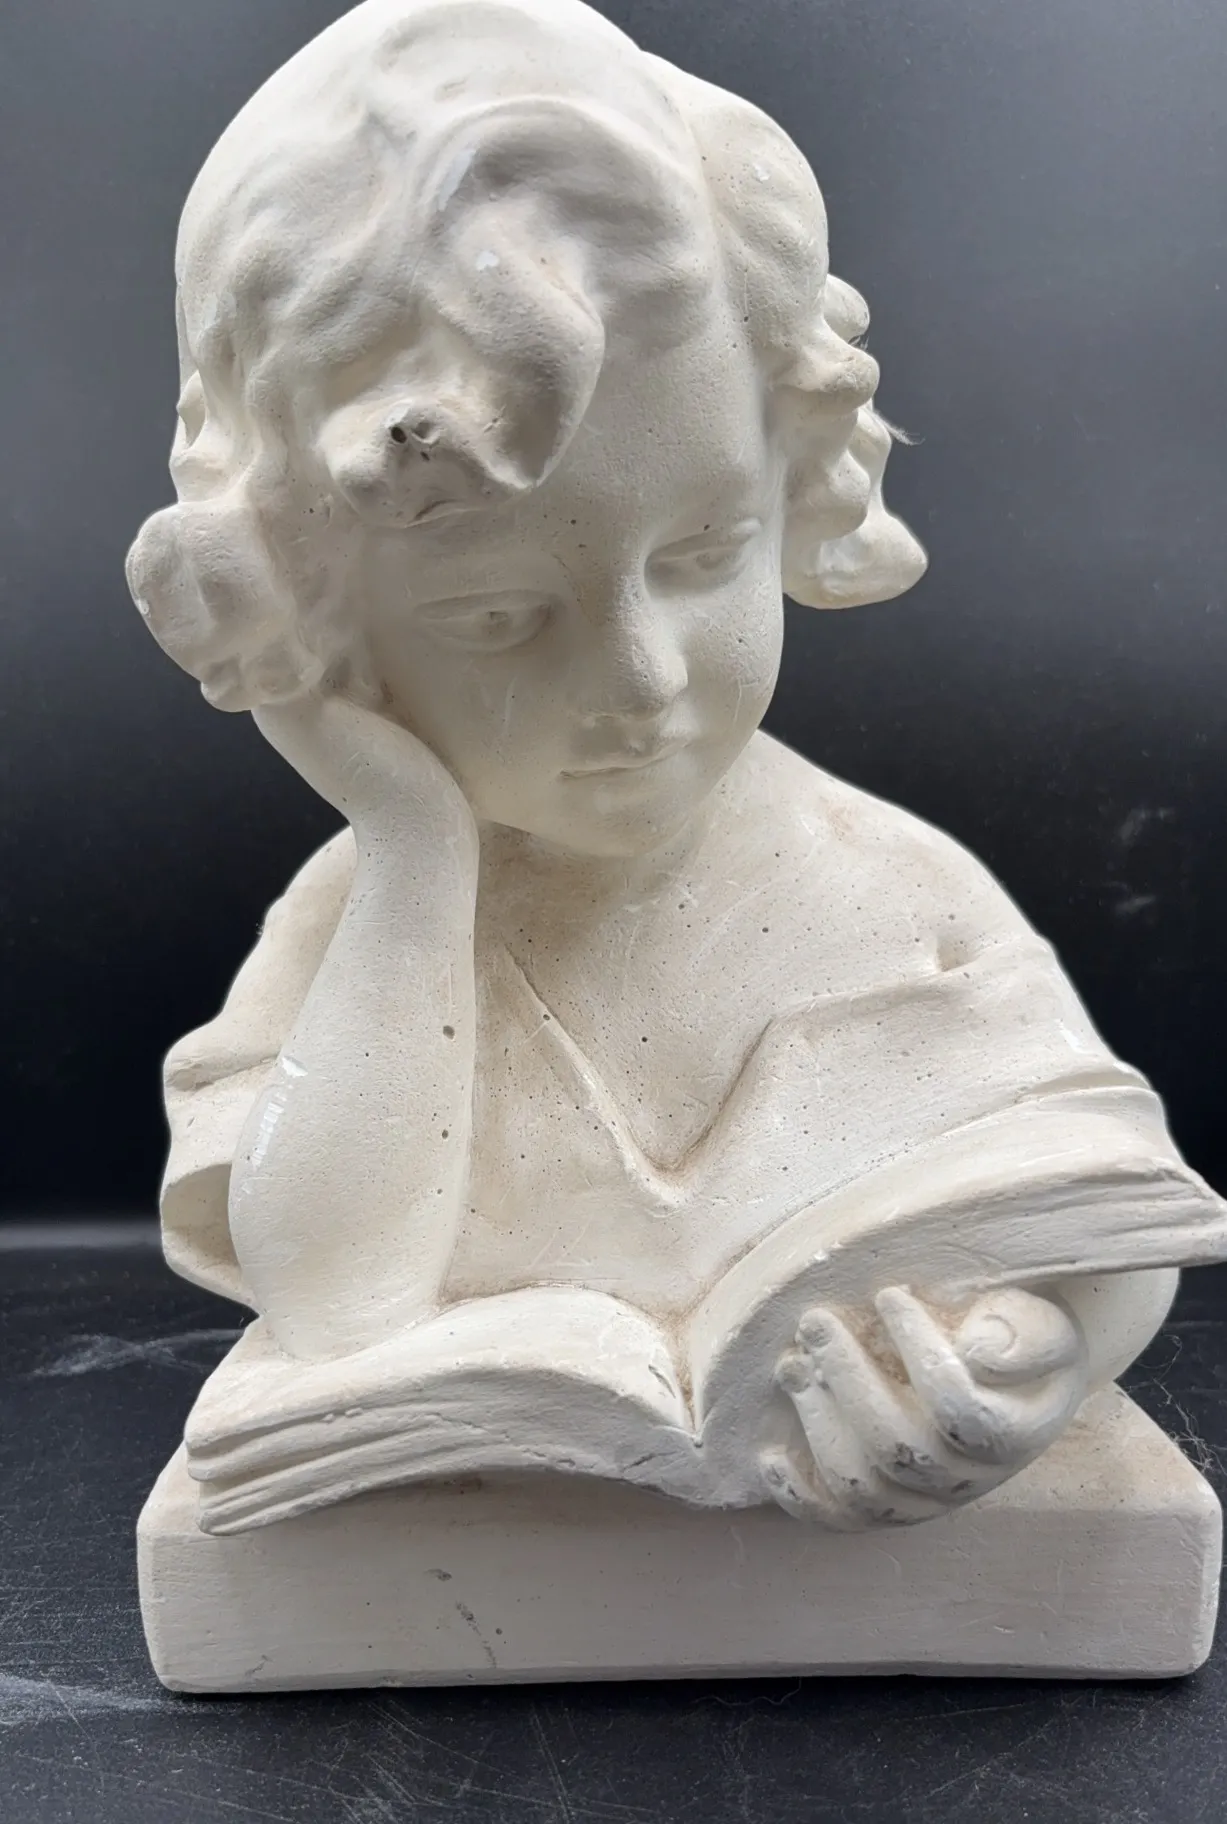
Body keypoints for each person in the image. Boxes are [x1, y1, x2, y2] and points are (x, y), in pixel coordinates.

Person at [127, 0, 1215, 1528]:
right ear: (321, 619)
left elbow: (1105, 1214)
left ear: (791, 478)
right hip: (485, 1559)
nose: (640, 677)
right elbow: (334, 1306)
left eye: (704, 552)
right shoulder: (361, 930)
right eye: (501, 616)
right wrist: (411, 845)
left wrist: (1029, 1357)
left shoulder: (890, 896)